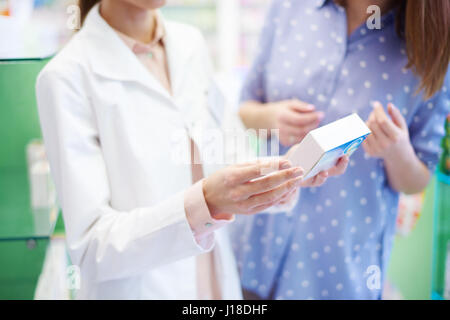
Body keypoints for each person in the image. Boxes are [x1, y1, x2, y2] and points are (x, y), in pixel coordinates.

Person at [35, 0, 348, 299]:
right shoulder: (66, 77)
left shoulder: (190, 44)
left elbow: (231, 158)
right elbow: (92, 249)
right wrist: (205, 203)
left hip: (215, 285)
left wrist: (284, 173)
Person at [234, 0, 450, 299]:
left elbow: (418, 178)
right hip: (255, 242)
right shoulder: (289, 7)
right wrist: (268, 117)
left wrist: (397, 151)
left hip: (338, 270)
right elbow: (245, 107)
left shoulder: (430, 47)